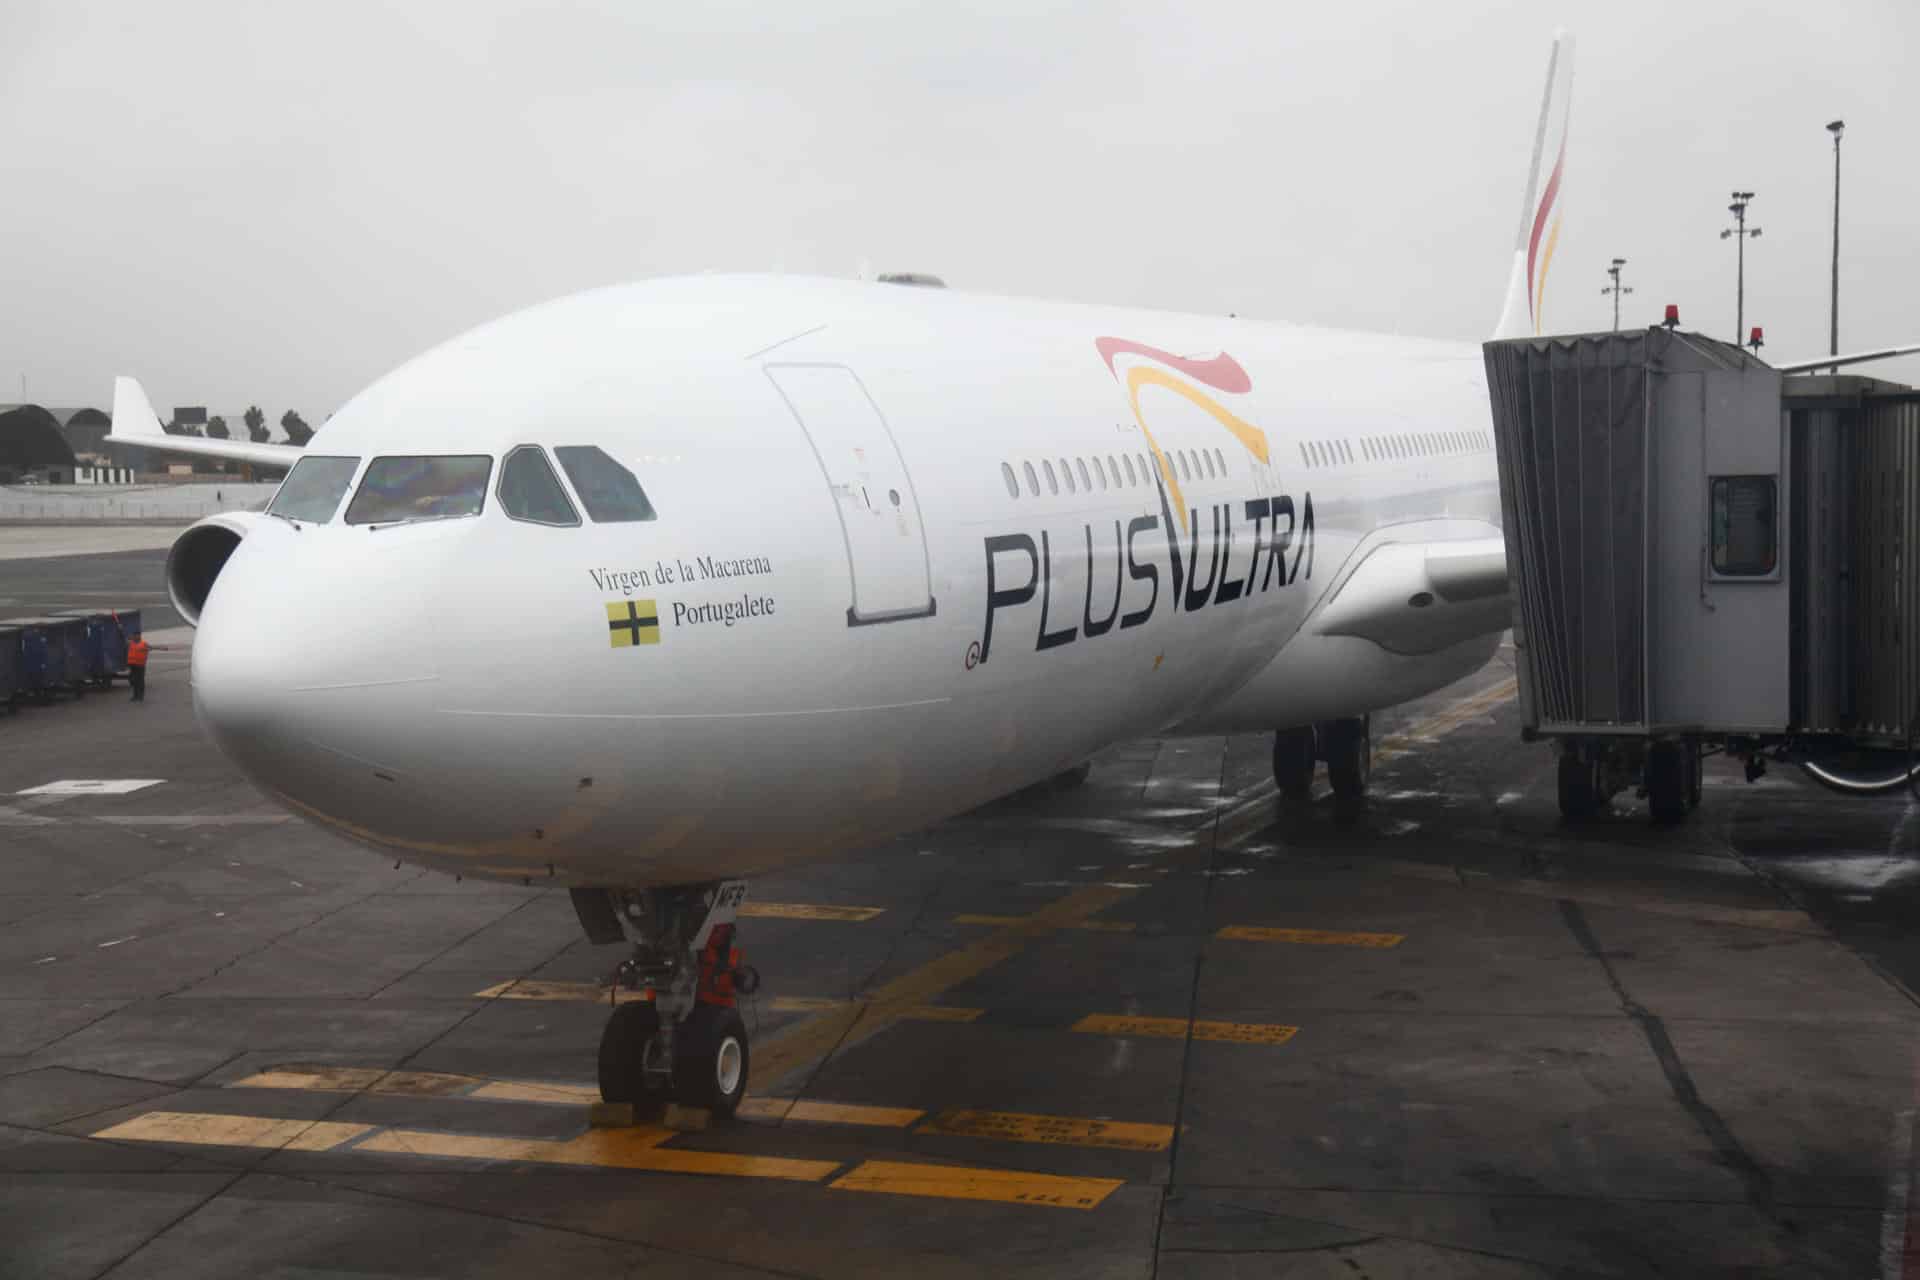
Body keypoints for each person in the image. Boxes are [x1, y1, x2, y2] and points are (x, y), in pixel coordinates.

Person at [125, 630, 170, 703]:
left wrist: (162, 648)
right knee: (133, 681)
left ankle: (140, 696)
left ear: (139, 636)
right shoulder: (131, 643)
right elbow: (124, 637)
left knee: (140, 681)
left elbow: (152, 647)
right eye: (134, 635)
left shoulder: (143, 644)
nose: (136, 637)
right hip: (132, 665)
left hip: (140, 665)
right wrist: (120, 629)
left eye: (137, 635)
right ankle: (135, 696)